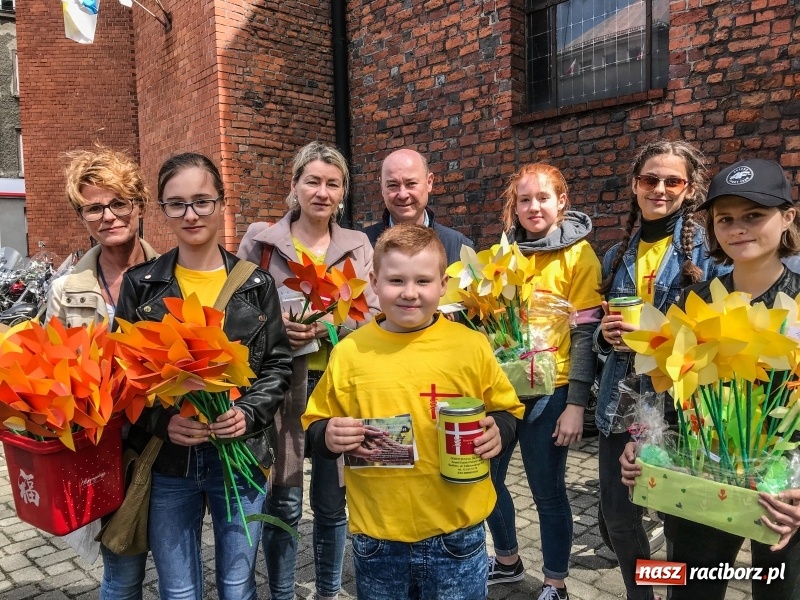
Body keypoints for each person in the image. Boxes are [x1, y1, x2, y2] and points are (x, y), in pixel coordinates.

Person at [302, 224, 524, 600]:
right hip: (378, 537)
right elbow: (314, 424)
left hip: (457, 533)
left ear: (442, 284)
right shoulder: (350, 352)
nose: (409, 293)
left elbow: (508, 408)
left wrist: (500, 429)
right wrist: (327, 435)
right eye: (396, 280)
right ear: (373, 281)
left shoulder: (471, 346)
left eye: (423, 280)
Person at [115, 152, 293, 600]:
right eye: (177, 204)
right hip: (169, 460)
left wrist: (249, 413)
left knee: (237, 587)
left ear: (221, 203)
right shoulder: (142, 283)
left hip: (240, 453)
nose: (190, 214)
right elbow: (123, 372)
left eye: (201, 201)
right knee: (178, 591)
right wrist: (161, 421)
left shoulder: (256, 283)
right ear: (162, 210)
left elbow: (276, 363)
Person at [621, 157, 800, 600]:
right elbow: (669, 390)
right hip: (700, 485)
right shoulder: (693, 302)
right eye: (726, 218)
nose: (738, 227)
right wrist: (646, 446)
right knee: (691, 590)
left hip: (784, 499)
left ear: (788, 218)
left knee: (779, 591)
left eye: (754, 215)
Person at [237, 142, 379, 600]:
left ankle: (329, 590)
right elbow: (237, 310)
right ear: (294, 185)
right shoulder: (260, 241)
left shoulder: (357, 244)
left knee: (333, 501)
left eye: (332, 184)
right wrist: (281, 330)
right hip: (282, 387)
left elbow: (372, 313)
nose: (322, 192)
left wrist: (324, 327)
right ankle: (281, 592)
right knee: (286, 497)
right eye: (312, 181)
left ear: (344, 192)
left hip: (337, 387)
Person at [594, 140, 726, 600]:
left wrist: (658, 334)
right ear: (635, 185)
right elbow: (597, 329)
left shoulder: (705, 254)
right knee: (618, 515)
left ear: (689, 190)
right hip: (620, 401)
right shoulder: (616, 255)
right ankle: (641, 594)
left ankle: (675, 592)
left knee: (674, 516)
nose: (660, 189)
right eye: (650, 179)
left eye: (673, 181)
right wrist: (604, 336)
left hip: (677, 403)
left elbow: (715, 333)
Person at [46, 146, 159, 600]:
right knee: (122, 565)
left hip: (162, 440)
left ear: (138, 206)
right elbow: (52, 369)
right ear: (82, 217)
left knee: (177, 560)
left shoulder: (173, 274)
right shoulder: (66, 290)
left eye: (119, 203)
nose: (109, 216)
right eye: (94, 207)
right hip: (104, 445)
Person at [485, 163, 602, 600]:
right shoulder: (502, 255)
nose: (534, 207)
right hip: (505, 390)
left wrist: (576, 403)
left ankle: (555, 582)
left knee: (546, 489)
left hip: (553, 393)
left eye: (543, 198)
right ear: (514, 206)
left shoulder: (579, 256)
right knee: (488, 479)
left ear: (561, 202)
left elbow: (585, 333)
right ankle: (509, 561)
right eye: (525, 199)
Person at [363, 148, 474, 264]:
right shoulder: (361, 247)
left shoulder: (459, 248)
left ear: (429, 183)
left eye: (411, 184)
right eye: (392, 185)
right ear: (382, 187)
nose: (402, 194)